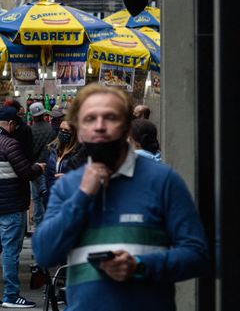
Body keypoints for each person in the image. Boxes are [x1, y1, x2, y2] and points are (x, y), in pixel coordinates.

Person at [34, 85, 207, 311]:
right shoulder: (68, 186)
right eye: (89, 119)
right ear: (81, 130)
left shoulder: (163, 181)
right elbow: (45, 253)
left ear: (127, 127)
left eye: (110, 117)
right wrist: (83, 196)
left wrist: (140, 266)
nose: (99, 126)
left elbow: (197, 255)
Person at [0, 107, 43, 308]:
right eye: (15, 125)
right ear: (10, 124)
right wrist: (39, 168)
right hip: (12, 206)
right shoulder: (10, 144)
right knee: (10, 252)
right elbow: (25, 172)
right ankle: (12, 295)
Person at [28, 101, 56, 229]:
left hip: (35, 168)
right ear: (44, 113)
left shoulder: (30, 131)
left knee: (36, 198)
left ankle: (38, 227)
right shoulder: (51, 129)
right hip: (50, 168)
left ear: (32, 116)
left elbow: (29, 151)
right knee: (49, 196)